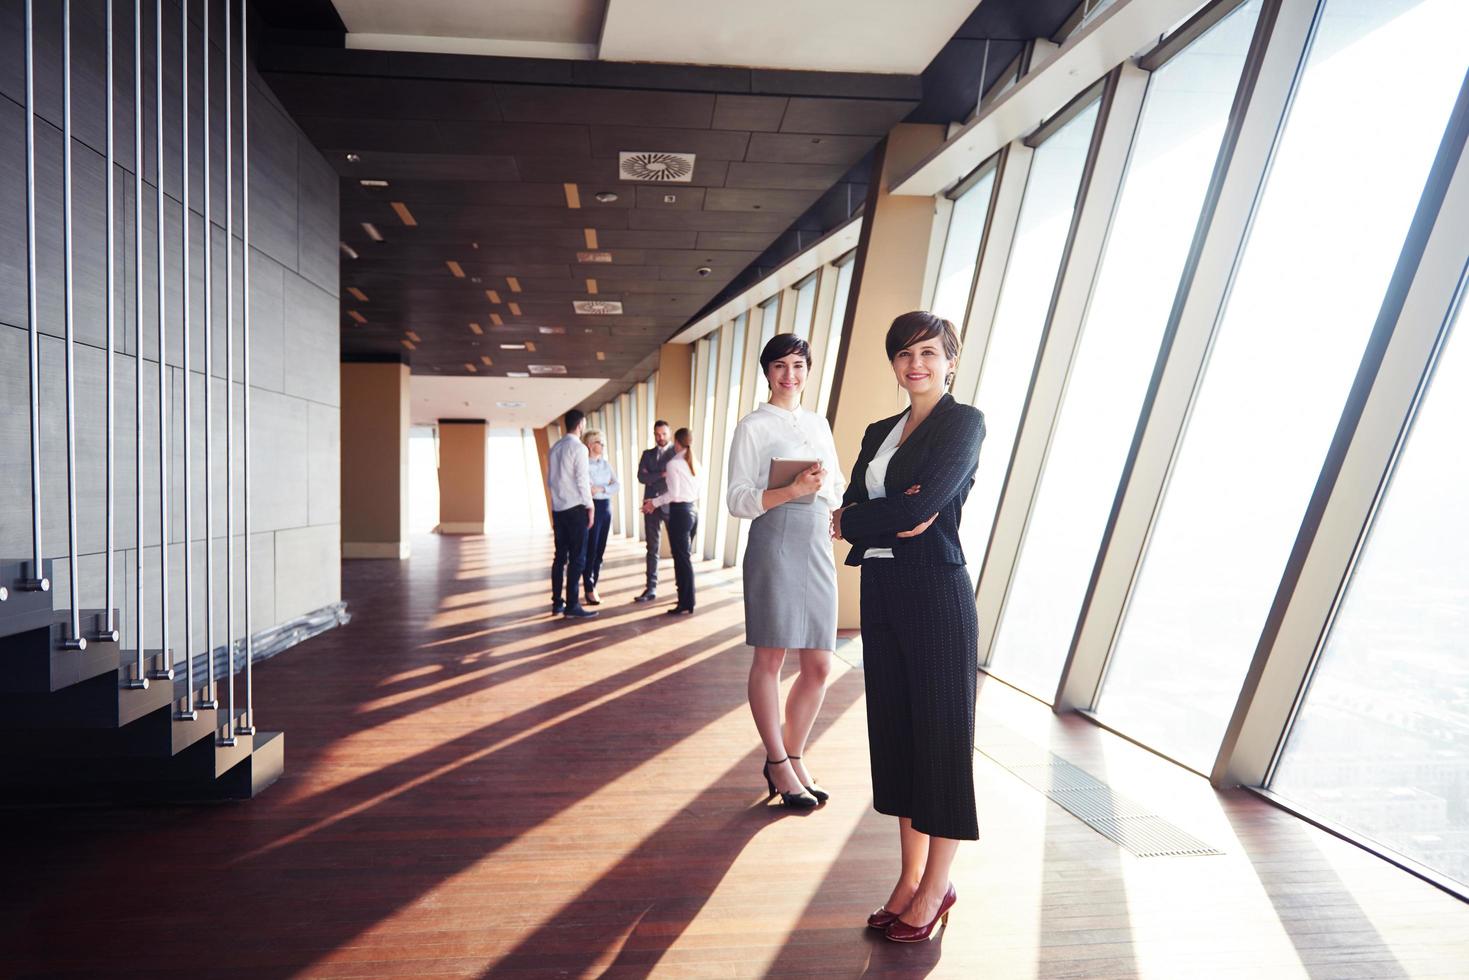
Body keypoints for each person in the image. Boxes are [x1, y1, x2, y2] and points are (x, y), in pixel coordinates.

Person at [831, 311, 985, 943]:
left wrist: (882, 514)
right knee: (895, 733)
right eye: (903, 355)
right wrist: (880, 516)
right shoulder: (878, 431)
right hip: (884, 590)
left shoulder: (963, 423)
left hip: (937, 594)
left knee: (942, 739)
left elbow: (922, 509)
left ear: (949, 358)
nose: (914, 364)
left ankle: (937, 886)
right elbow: (847, 511)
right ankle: (910, 877)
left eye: (927, 352)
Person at [726, 334, 845, 810]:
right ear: (767, 371)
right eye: (780, 366)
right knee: (771, 659)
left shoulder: (819, 423)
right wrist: (793, 489)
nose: (789, 375)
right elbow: (737, 499)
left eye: (798, 365)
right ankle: (776, 762)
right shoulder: (753, 426)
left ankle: (794, 756)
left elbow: (834, 482)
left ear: (808, 369)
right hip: (774, 537)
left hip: (816, 537)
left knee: (819, 663)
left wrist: (834, 503)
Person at [642, 427, 701, 615]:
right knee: (685, 559)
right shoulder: (694, 462)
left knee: (681, 560)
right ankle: (687, 601)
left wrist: (654, 502)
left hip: (680, 514)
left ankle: (685, 603)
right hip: (692, 512)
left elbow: (674, 494)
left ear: (676, 442)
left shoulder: (674, 463)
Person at [546, 409, 599, 620]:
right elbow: (581, 480)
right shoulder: (579, 448)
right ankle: (572, 605)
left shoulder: (555, 448)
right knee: (578, 558)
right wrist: (590, 506)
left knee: (560, 557)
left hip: (558, 509)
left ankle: (558, 603)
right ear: (581, 424)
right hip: (576, 509)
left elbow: (552, 481)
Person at [634, 421, 678, 603]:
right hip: (650, 505)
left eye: (664, 434)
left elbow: (675, 478)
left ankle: (680, 589)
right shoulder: (647, 454)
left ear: (669, 433)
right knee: (652, 548)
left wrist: (652, 476)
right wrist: (661, 474)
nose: (660, 437)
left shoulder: (676, 455)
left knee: (678, 549)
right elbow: (641, 477)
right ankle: (651, 588)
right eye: (657, 434)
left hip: (671, 505)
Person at [581, 429, 619, 605]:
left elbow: (616, 484)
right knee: (591, 549)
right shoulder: (583, 465)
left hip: (606, 507)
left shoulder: (606, 464)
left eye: (603, 443)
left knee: (600, 550)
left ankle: (593, 584)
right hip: (592, 507)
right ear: (590, 444)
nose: (602, 446)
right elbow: (587, 488)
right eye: (599, 442)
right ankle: (588, 588)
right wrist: (597, 489)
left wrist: (602, 488)